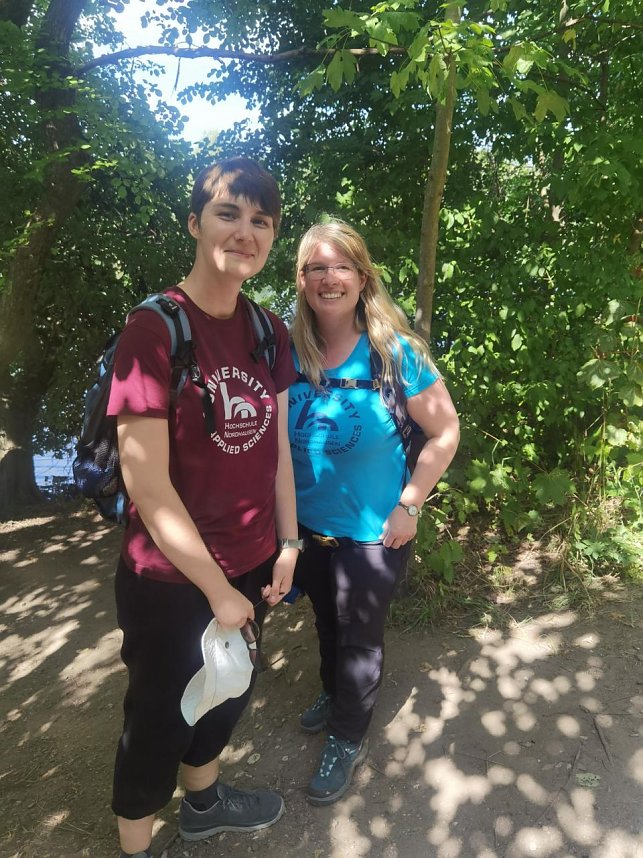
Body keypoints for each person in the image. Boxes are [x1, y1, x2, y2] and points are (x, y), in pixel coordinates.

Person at [107, 157, 300, 858]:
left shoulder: (267, 330)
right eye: (228, 213)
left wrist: (287, 543)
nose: (245, 231)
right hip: (171, 582)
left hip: (251, 568)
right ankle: (136, 845)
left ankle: (205, 804)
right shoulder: (153, 330)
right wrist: (216, 590)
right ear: (194, 223)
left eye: (261, 220)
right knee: (158, 720)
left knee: (226, 695)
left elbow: (274, 447)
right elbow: (147, 486)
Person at [288, 220, 460, 806]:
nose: (328, 278)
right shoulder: (289, 351)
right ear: (302, 280)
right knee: (324, 623)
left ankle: (347, 734)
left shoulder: (395, 353)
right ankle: (334, 695)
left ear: (363, 278)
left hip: (375, 530)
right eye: (316, 268)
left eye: (341, 267)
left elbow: (445, 430)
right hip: (308, 529)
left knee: (359, 634)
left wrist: (411, 504)